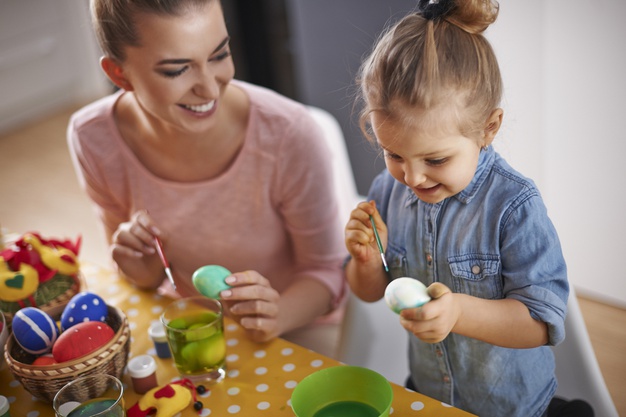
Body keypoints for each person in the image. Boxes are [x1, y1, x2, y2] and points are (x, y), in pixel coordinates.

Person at [344, 1, 593, 416]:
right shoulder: (387, 191)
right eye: (393, 154)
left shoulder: (513, 207)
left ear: (487, 129)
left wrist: (458, 311)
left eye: (435, 160)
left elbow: (541, 322)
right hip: (430, 397)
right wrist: (366, 260)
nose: (413, 177)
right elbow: (368, 293)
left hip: (512, 407)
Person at [67, 0, 346, 357]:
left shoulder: (289, 135)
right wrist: (142, 268)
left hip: (296, 327)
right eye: (176, 70)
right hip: (192, 324)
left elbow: (327, 272)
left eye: (219, 55)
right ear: (119, 75)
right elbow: (137, 278)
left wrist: (276, 315)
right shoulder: (93, 137)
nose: (211, 90)